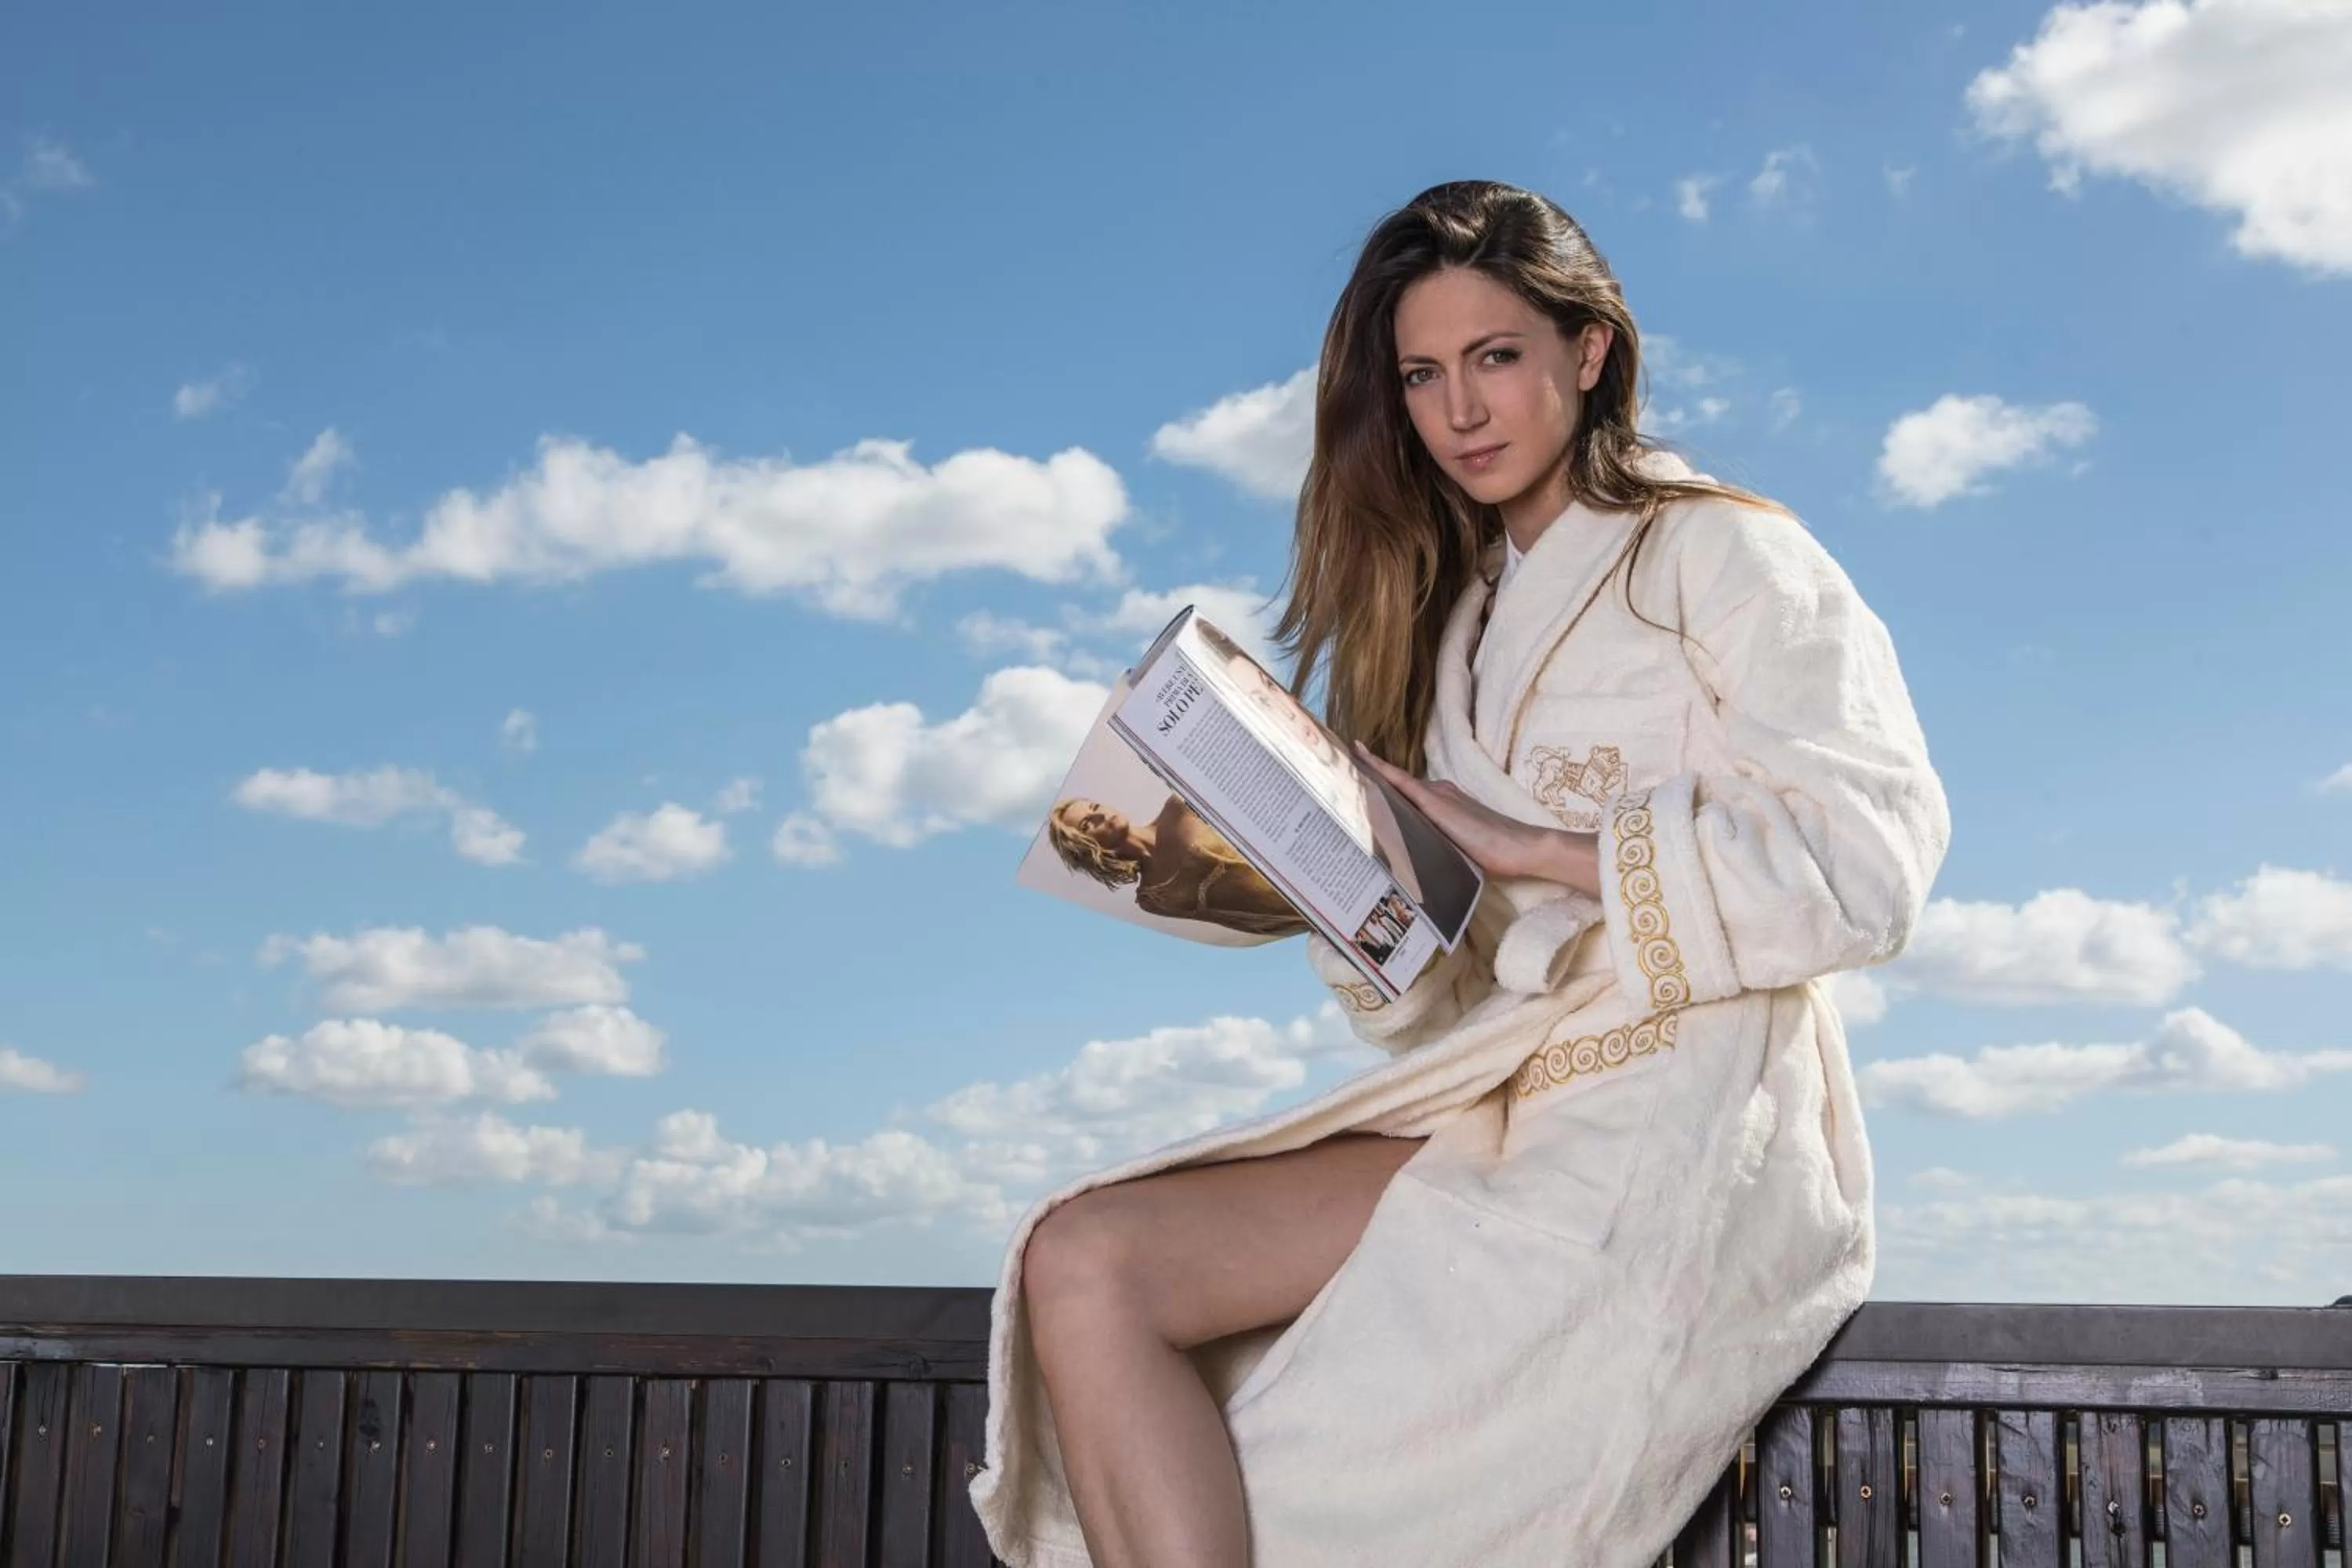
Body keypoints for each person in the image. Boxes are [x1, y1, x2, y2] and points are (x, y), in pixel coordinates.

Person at [972, 180, 1950, 1567]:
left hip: (1685, 1105)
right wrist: (1336, 887)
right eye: (1423, 376)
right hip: (1497, 1093)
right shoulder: (1462, 624)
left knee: (1299, 1482)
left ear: (1587, 351)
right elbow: (1449, 977)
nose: (1459, 413)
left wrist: (1534, 850)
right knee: (1084, 1262)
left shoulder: (1726, 553)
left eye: (1495, 358)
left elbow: (1870, 863)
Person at [1047, 794, 1310, 939]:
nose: (1099, 814)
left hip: (1313, 863)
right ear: (1086, 848)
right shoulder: (1154, 898)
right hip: (1313, 923)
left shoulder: (1180, 806)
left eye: (1094, 805)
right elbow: (1247, 922)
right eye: (1086, 825)